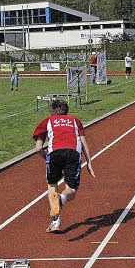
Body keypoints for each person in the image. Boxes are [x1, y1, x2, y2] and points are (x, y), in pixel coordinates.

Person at [32, 98, 96, 233]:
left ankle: (56, 222)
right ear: (67, 111)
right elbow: (83, 142)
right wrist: (89, 162)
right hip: (73, 153)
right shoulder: (75, 121)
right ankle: (62, 198)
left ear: (51, 112)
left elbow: (38, 148)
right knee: (71, 189)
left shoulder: (47, 121)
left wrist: (46, 158)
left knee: (52, 185)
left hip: (54, 153)